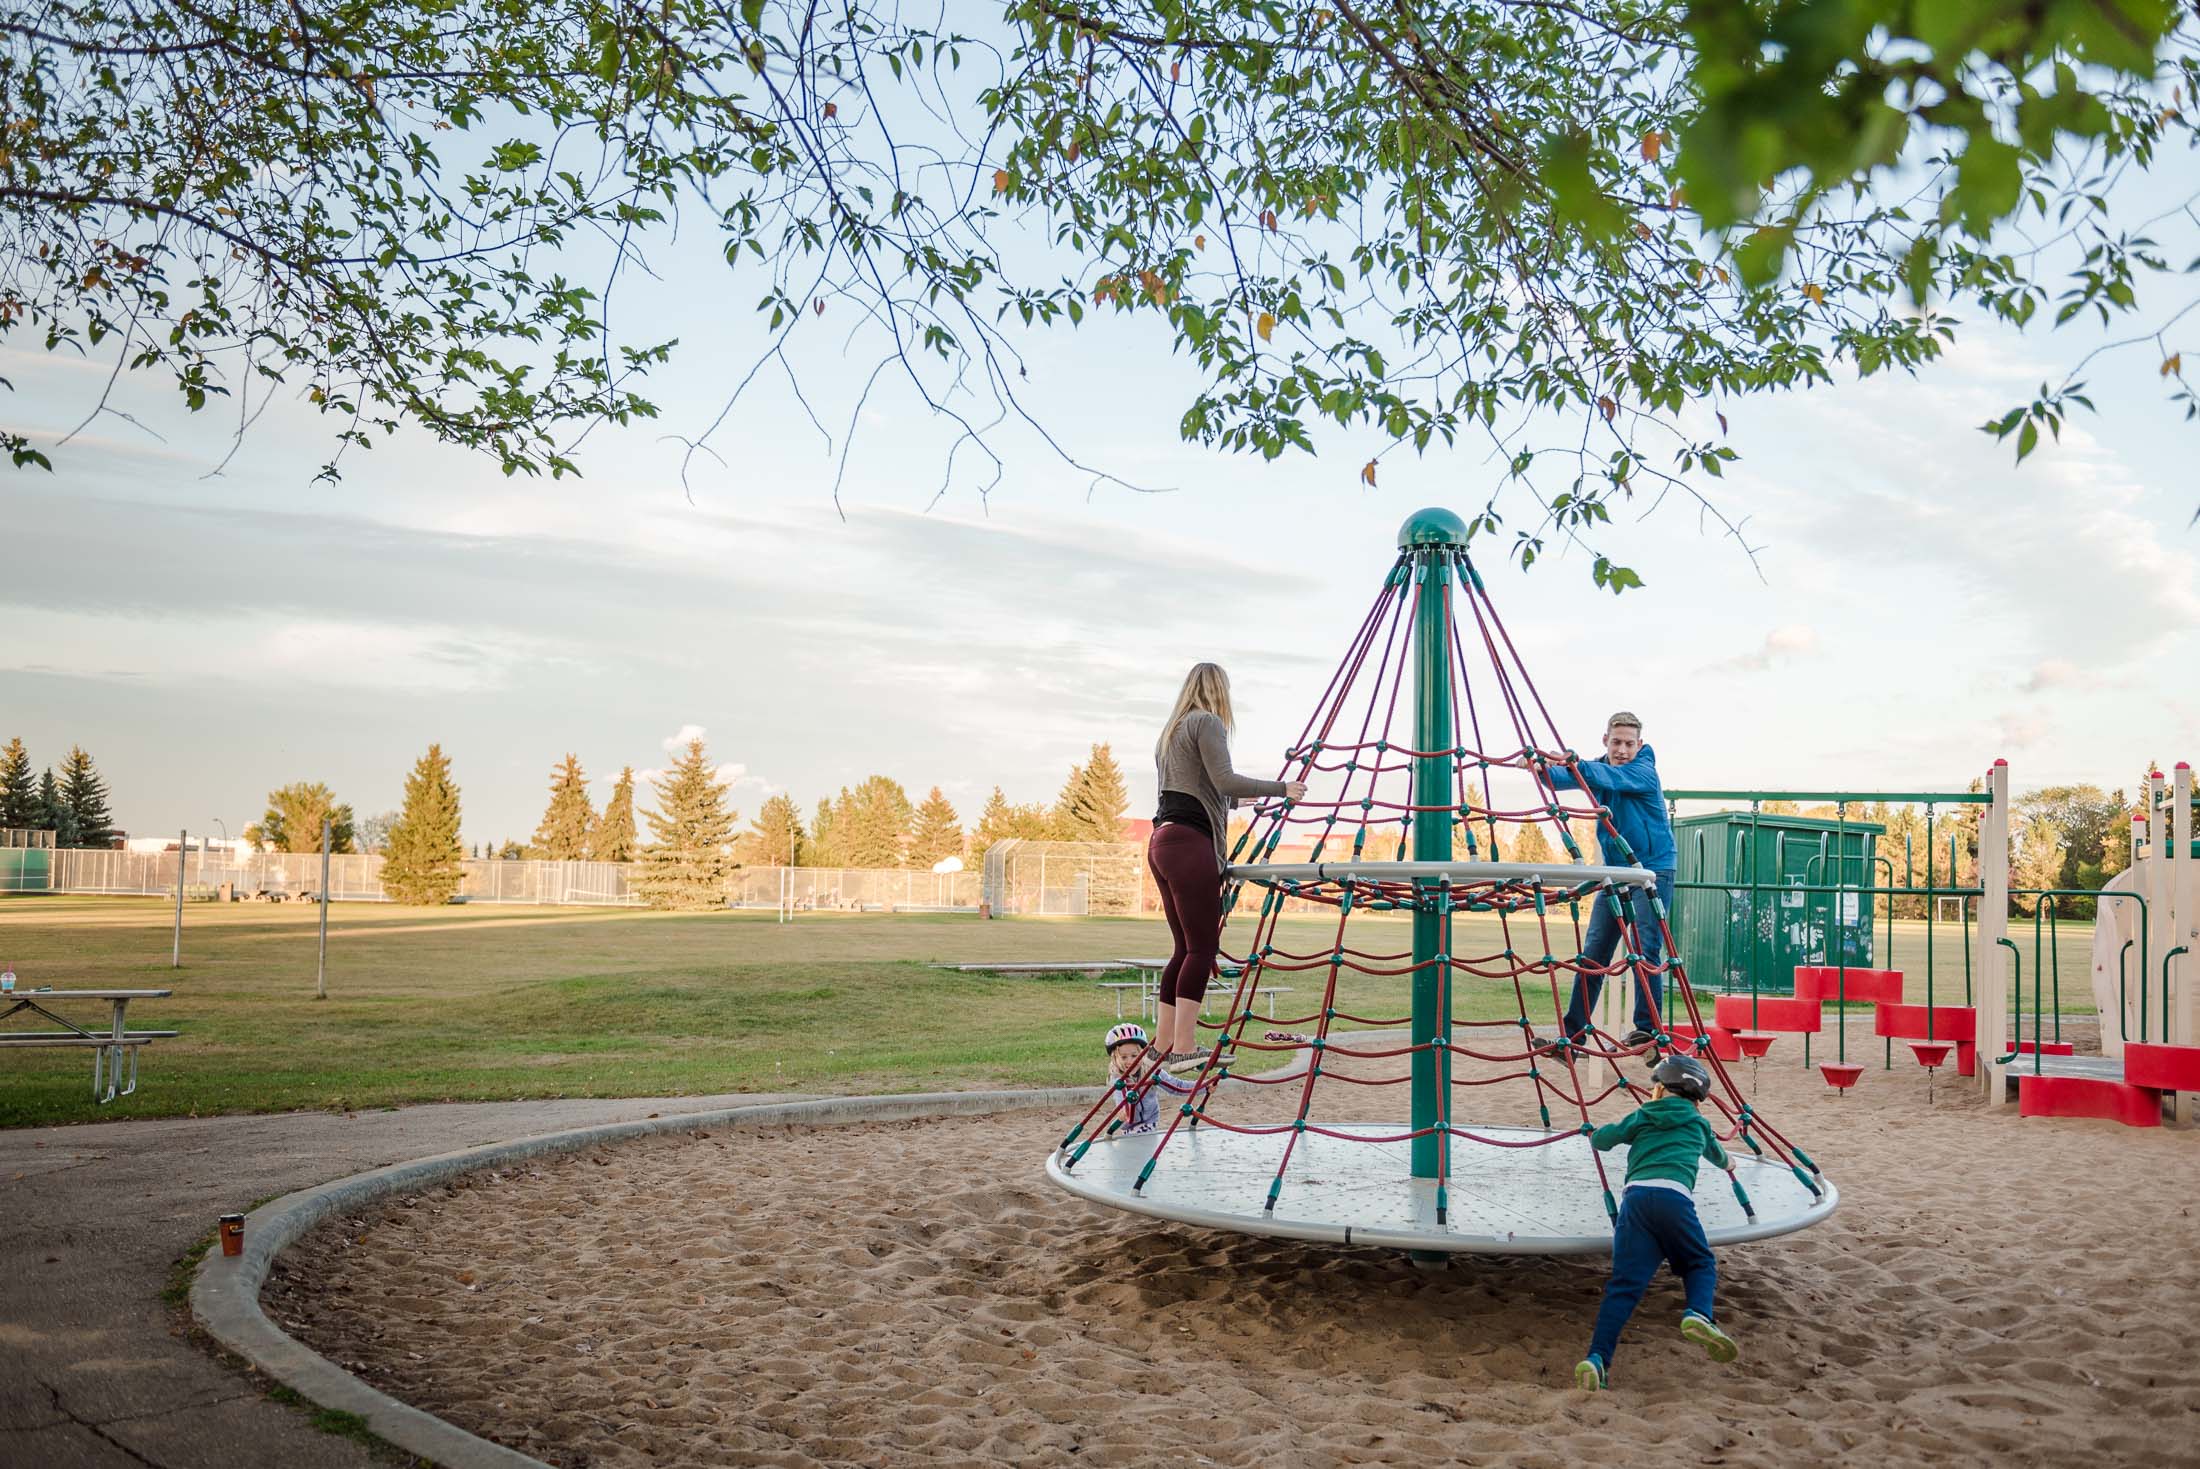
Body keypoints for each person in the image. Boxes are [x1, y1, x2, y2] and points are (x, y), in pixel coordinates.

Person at [1148, 663, 1307, 1061]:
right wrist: (1281, 788)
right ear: (1219, 690)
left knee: (1183, 948)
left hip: (1162, 840)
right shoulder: (1207, 723)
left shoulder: (1171, 731)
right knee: (1203, 950)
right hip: (1189, 844)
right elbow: (1224, 780)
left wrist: (1236, 801)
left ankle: (1163, 1043)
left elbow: (1196, 788)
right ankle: (1184, 1046)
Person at [1575, 1054, 1739, 1389]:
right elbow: (1717, 1155)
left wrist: (1594, 1134)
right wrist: (1729, 1164)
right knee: (1699, 1262)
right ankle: (1697, 1313)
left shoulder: (1644, 1114)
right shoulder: (1699, 1124)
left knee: (1622, 1287)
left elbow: (1606, 1139)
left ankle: (1597, 1360)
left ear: (1661, 1089)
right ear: (1696, 1099)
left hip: (1635, 1202)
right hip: (1674, 1200)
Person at [1543, 711, 1677, 1049]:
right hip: (1616, 873)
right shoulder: (1601, 766)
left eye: (1629, 744)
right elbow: (1561, 778)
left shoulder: (1643, 770)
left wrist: (1575, 762)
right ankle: (1573, 1037)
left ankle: (1647, 1030)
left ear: (1640, 745)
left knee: (1645, 948)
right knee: (1593, 953)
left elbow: (1607, 776)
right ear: (1605, 740)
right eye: (1616, 742)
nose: (1622, 750)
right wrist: (1540, 766)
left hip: (1652, 870)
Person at [1102, 1022, 1198, 1132]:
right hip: (1129, 1126)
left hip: (1150, 1123)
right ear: (1115, 1058)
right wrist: (1123, 1110)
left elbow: (1177, 1087)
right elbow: (1121, 1098)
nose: (1130, 1061)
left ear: (1143, 1053)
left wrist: (1204, 1086)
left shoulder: (1151, 1071)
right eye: (1123, 1057)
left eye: (1134, 1055)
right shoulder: (1118, 1079)